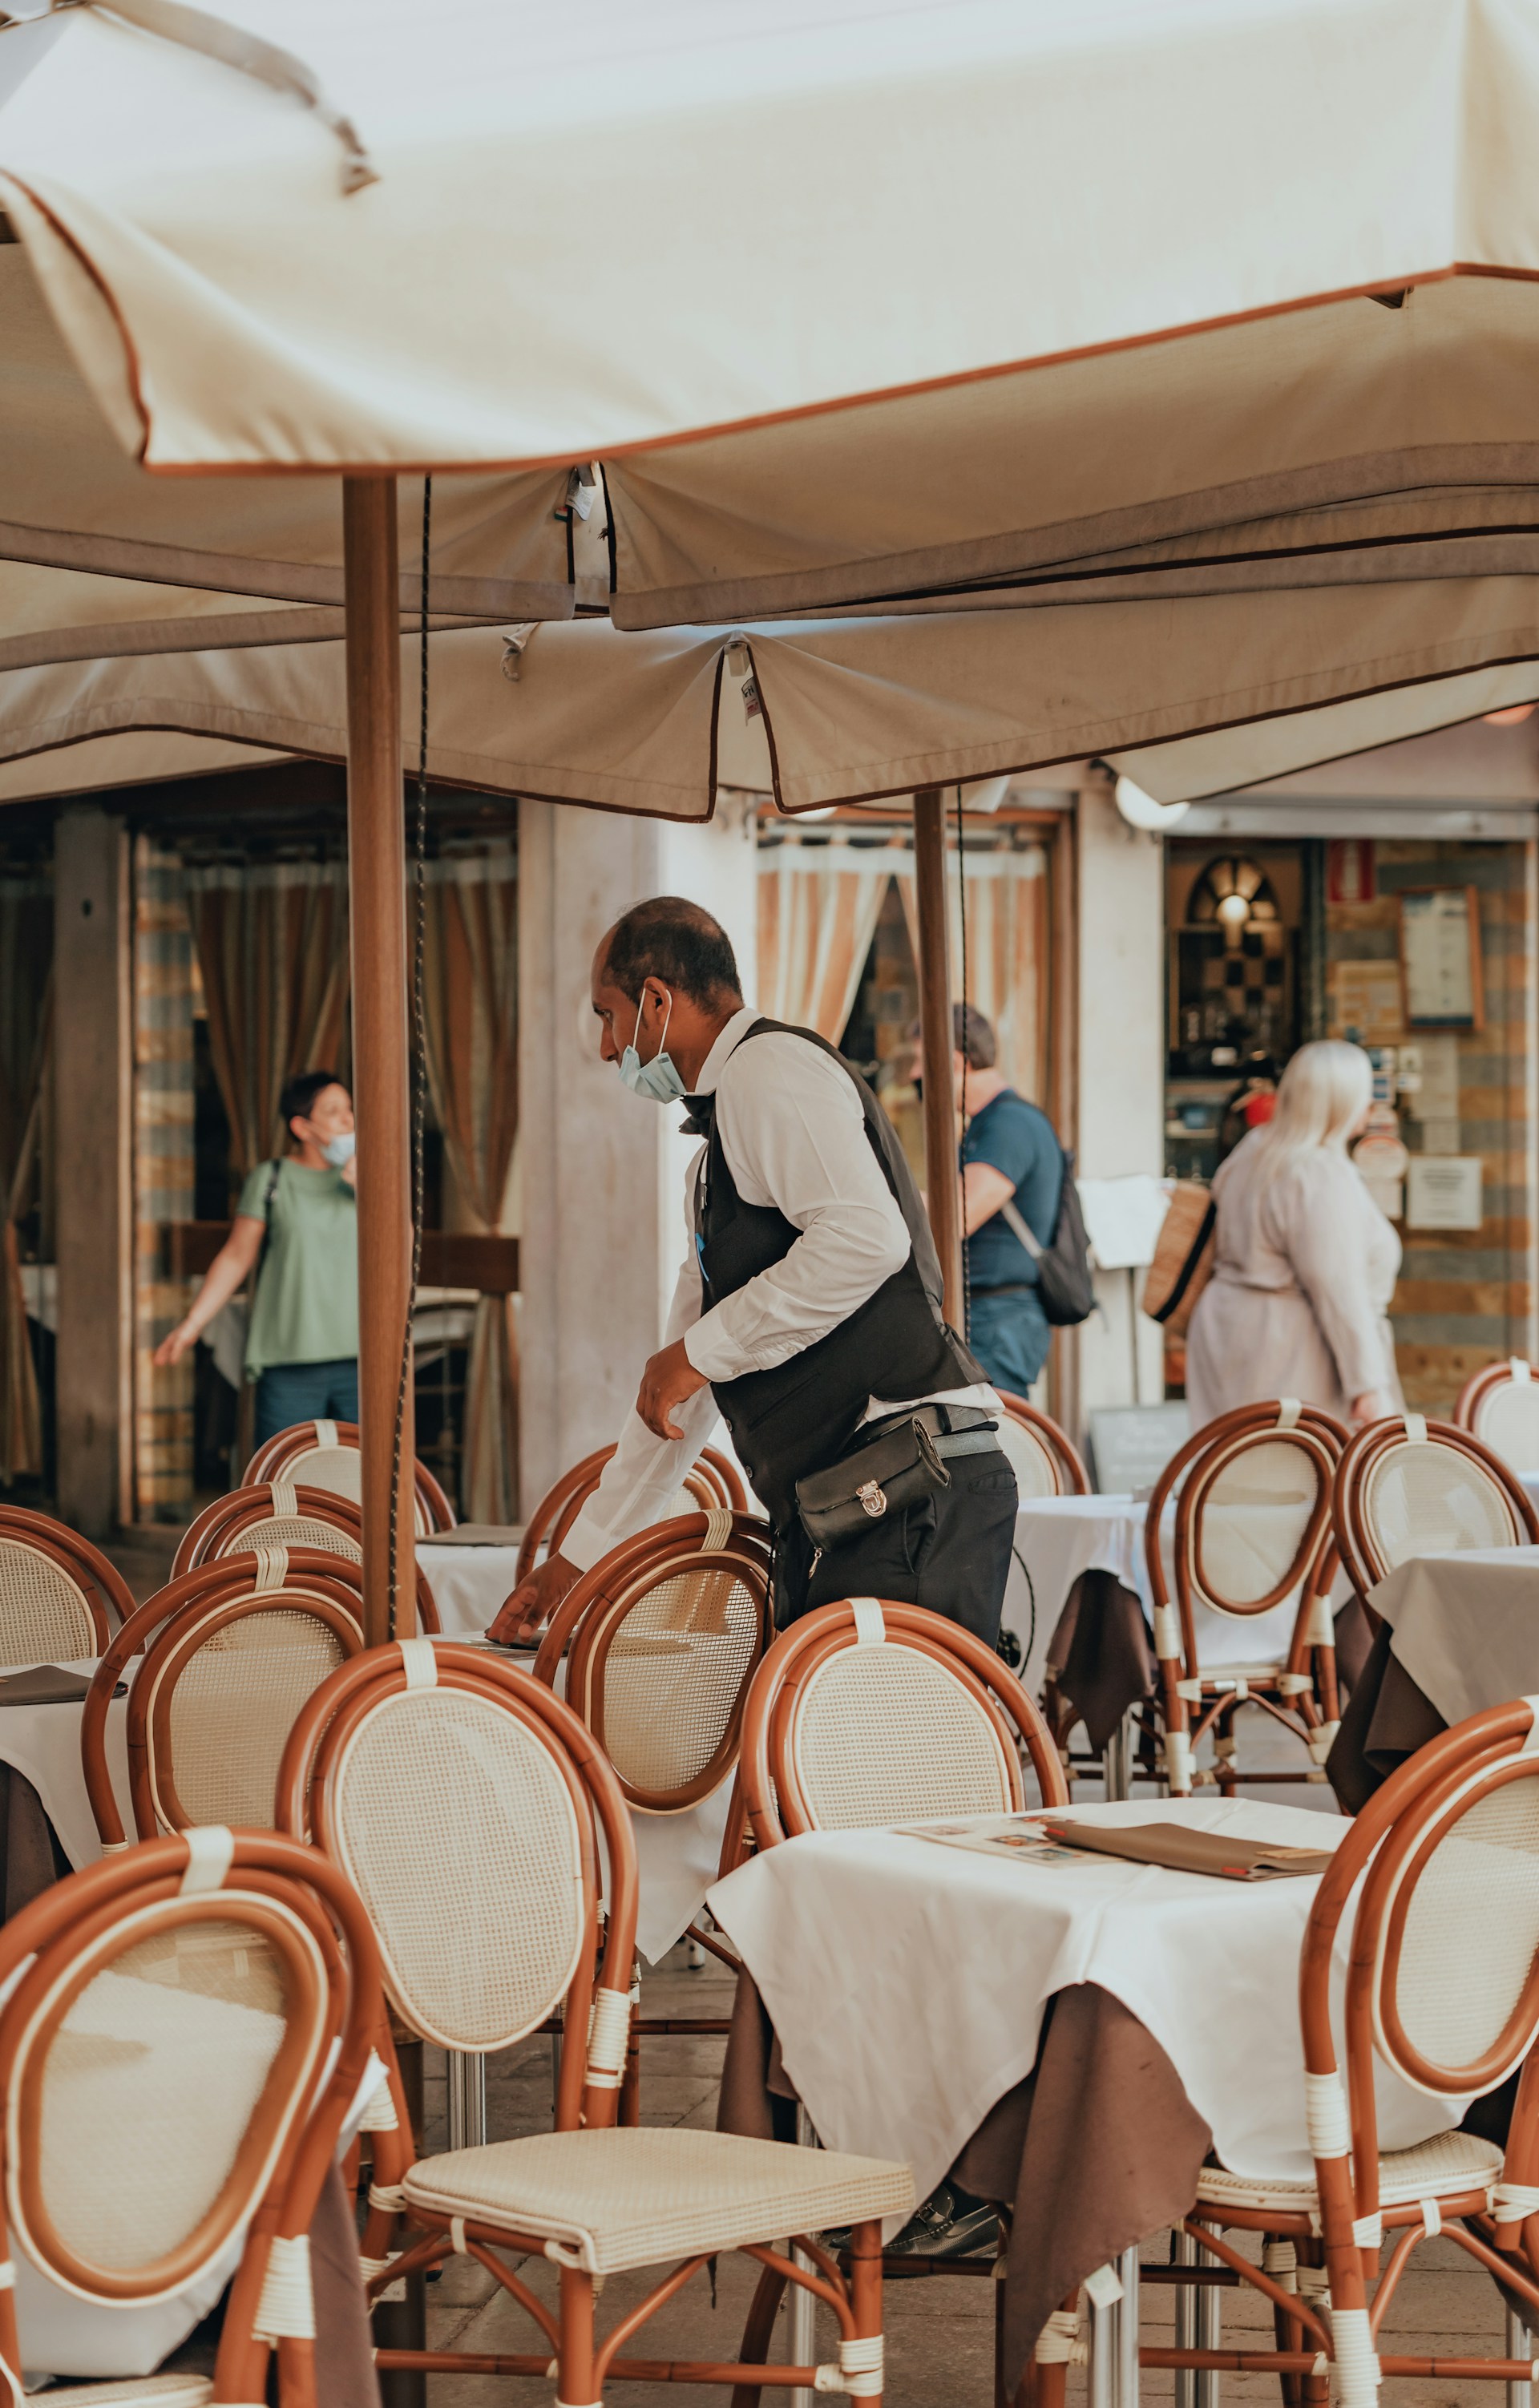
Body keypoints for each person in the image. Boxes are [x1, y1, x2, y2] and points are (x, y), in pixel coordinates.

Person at [492, 897, 1020, 1646]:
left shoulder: (767, 1069)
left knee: (881, 1760)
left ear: (656, 1002)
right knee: (820, 1762)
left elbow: (867, 1239)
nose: (608, 1048)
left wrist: (700, 1354)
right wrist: (577, 1558)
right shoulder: (712, 1161)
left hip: (909, 1488)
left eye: (607, 1016)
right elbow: (669, 1394)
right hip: (854, 1501)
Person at [1184, 1038, 1401, 1428]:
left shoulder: (1253, 1149)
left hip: (1227, 1334)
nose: (1370, 1110)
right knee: (1300, 1479)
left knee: (1231, 1474)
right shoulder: (1319, 1173)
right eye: (1364, 1098)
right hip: (1292, 1352)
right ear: (1339, 1103)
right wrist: (1367, 1387)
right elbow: (1339, 1289)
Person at [154, 1069, 360, 1447]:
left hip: (364, 1357)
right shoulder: (272, 1178)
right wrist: (192, 1325)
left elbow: (405, 1247)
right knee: (282, 1476)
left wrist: (374, 1189)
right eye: (334, 1111)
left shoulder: (370, 1177)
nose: (349, 1119)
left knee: (366, 1480)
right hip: (290, 1355)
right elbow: (236, 1255)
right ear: (302, 1127)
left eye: (349, 1108)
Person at [931, 1003, 1064, 1399]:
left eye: (921, 1062)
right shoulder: (993, 1123)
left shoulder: (1009, 1124)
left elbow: (957, 1214)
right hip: (993, 1314)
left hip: (999, 1316)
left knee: (1000, 1450)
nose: (914, 1076)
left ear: (954, 1061)